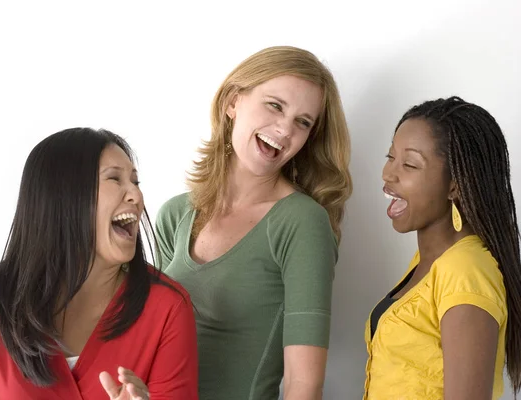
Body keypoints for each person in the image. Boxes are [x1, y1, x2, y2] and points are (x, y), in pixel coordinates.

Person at [0, 128, 198, 400]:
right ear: (65, 196)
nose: (136, 197)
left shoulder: (168, 308)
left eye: (136, 182)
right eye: (115, 179)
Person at [155, 46, 353, 399]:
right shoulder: (175, 214)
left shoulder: (301, 223)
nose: (284, 129)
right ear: (233, 102)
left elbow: (303, 384)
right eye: (275, 105)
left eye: (302, 122)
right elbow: (153, 346)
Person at [365, 96, 521, 399]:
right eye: (390, 156)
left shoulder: (465, 271)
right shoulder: (430, 261)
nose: (388, 174)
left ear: (455, 185)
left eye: (409, 164)